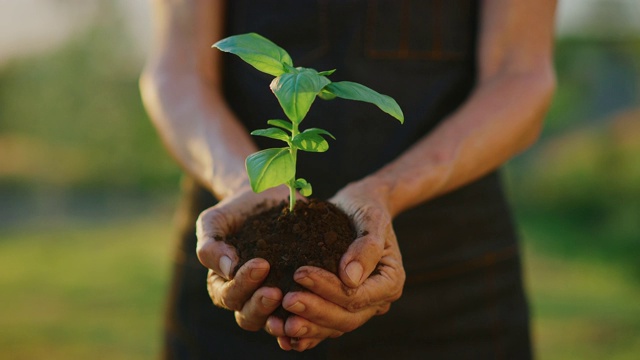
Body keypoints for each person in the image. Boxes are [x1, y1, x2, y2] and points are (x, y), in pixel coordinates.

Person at [140, 0, 556, 358]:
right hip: (243, 264)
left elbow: (520, 75)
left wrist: (385, 190)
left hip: (454, 277)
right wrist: (246, 184)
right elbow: (178, 71)